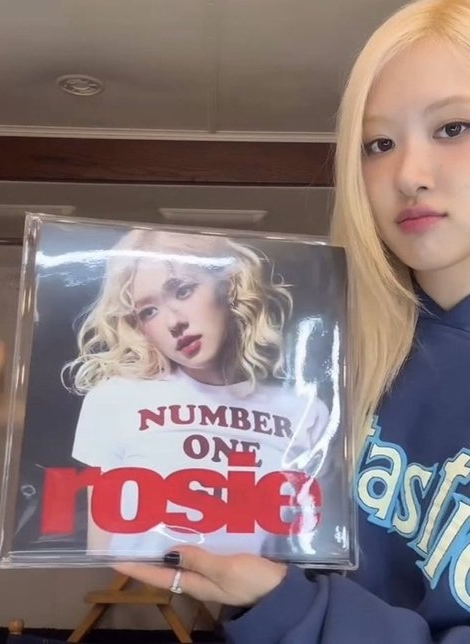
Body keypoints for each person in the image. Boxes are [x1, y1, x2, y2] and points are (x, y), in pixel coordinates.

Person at [114, 0, 470, 641]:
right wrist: (263, 593)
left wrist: (300, 612)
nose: (409, 176)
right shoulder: (326, 354)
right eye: (378, 144)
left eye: (453, 127)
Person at [64, 228, 333, 558]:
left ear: (228, 285)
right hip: (148, 589)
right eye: (149, 311)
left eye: (183, 291)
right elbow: (101, 554)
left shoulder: (304, 411)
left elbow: (312, 550)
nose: (174, 322)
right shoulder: (114, 400)